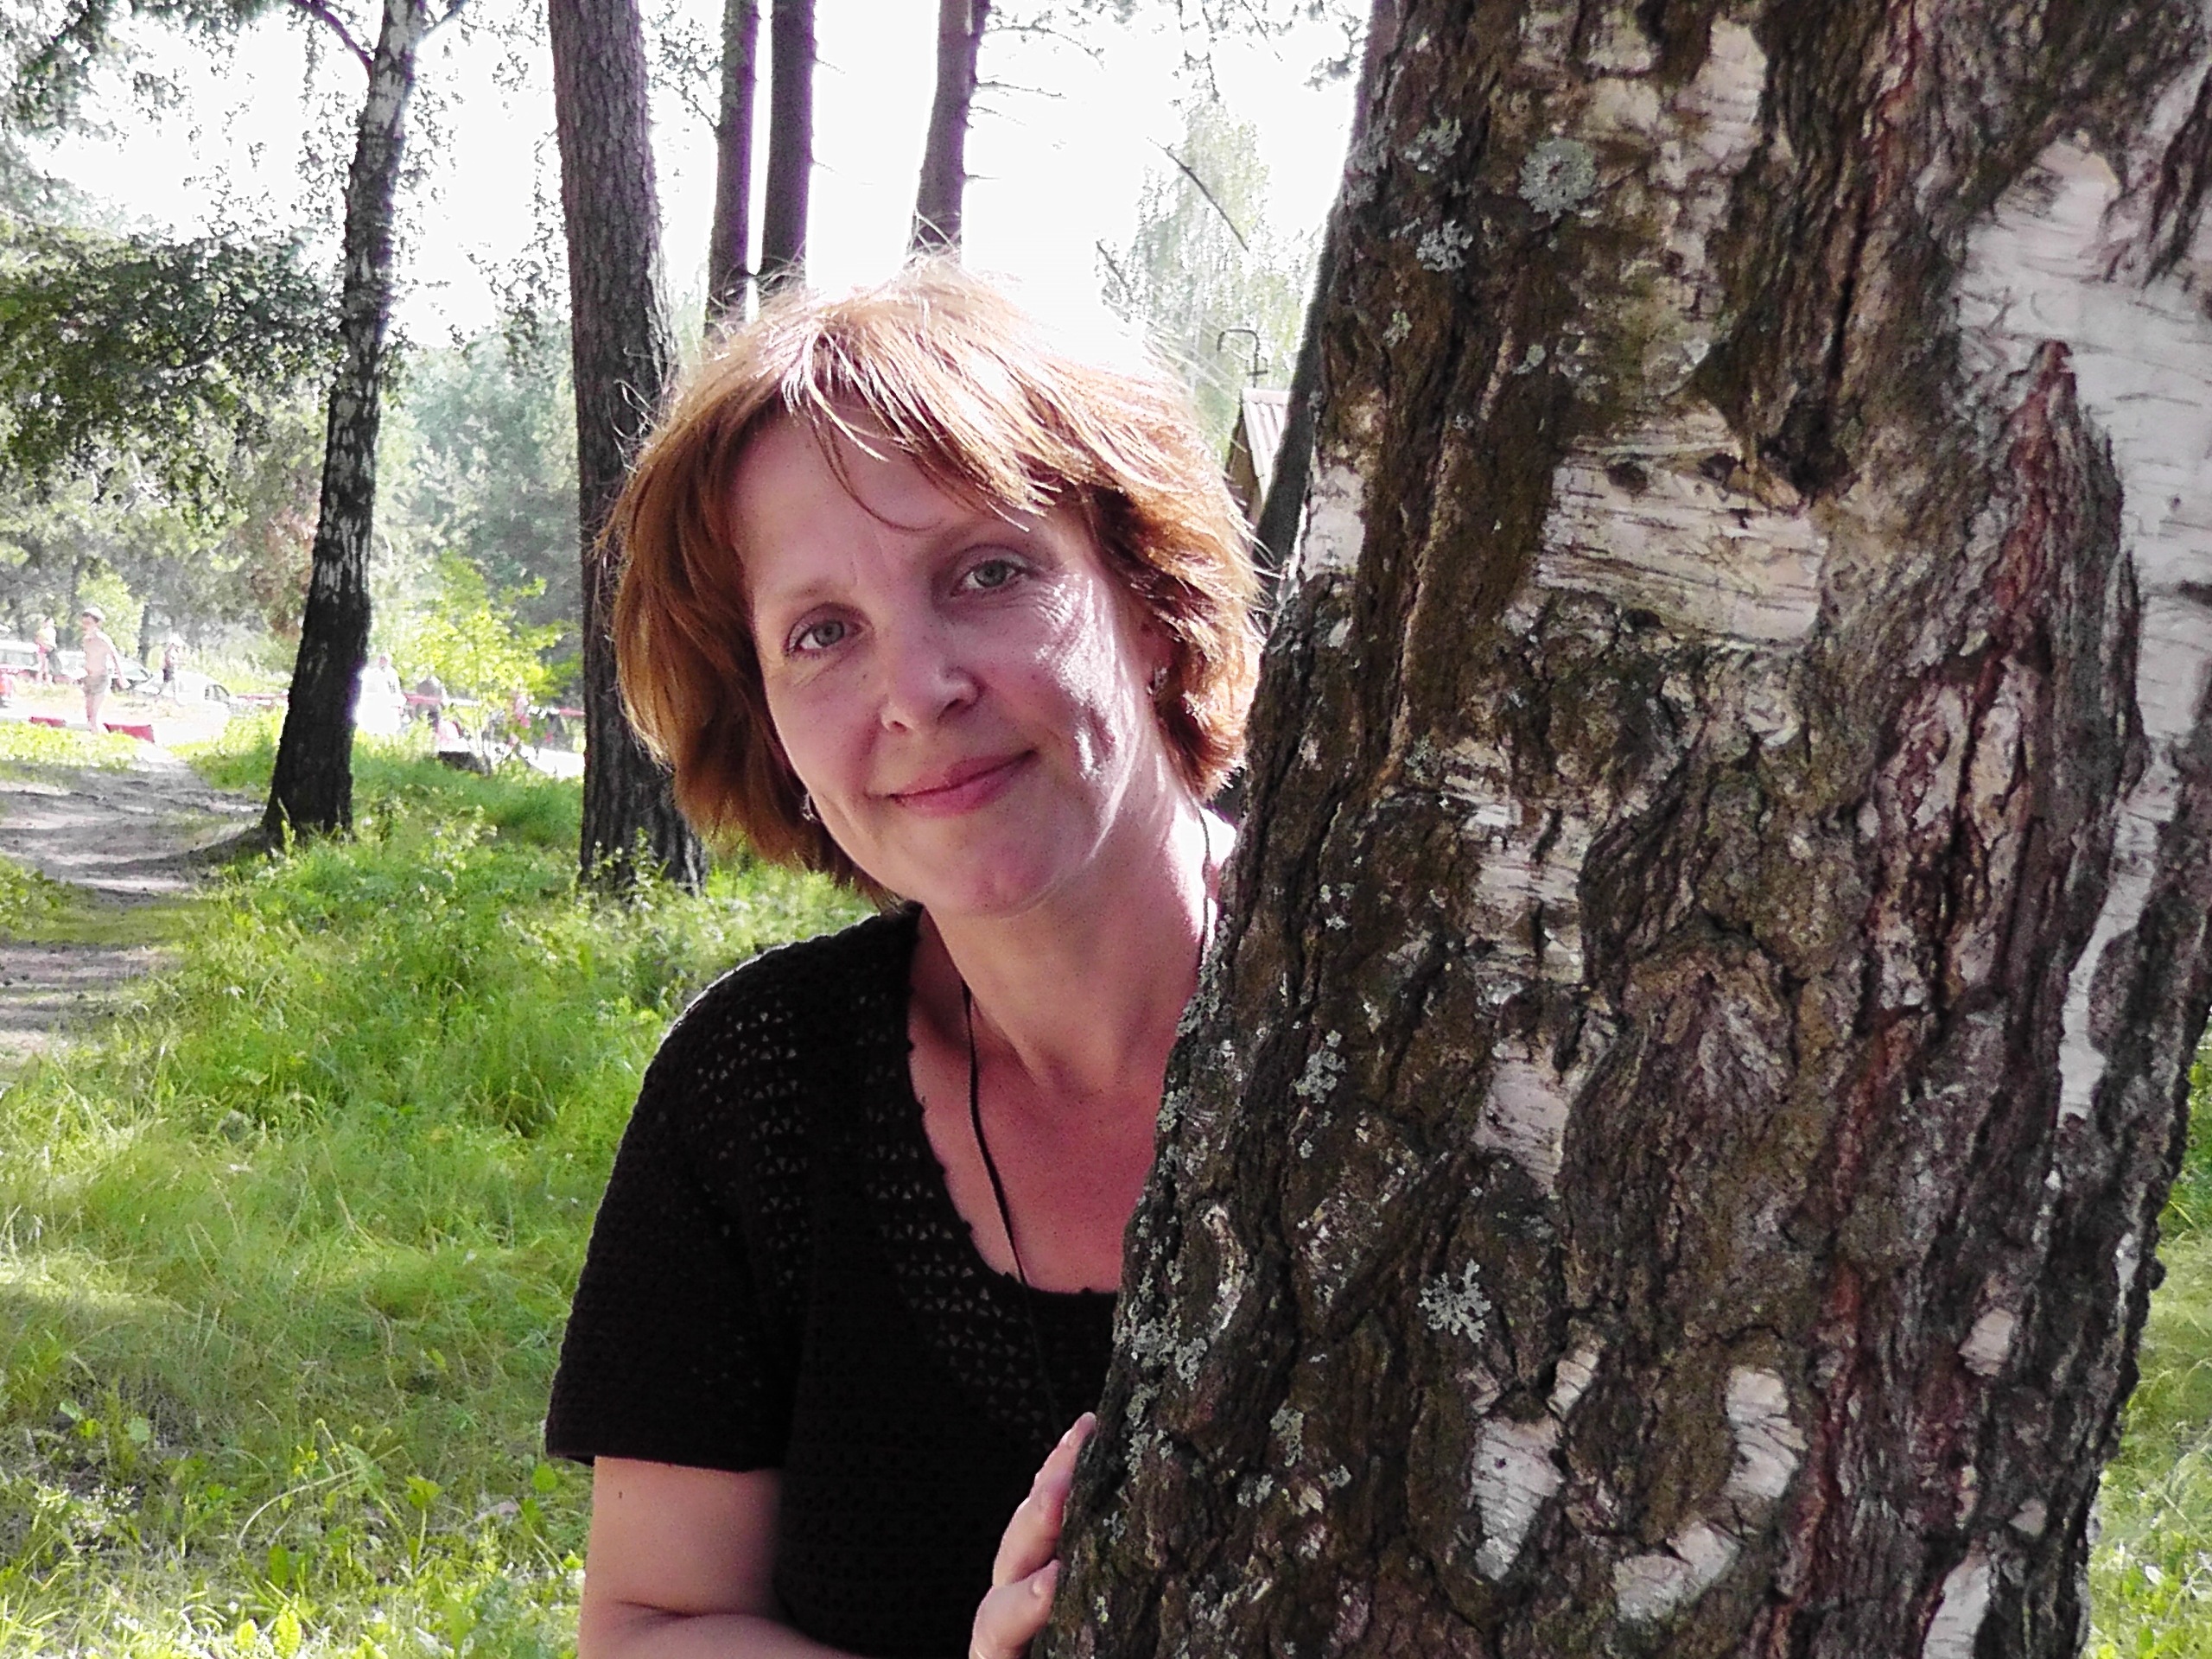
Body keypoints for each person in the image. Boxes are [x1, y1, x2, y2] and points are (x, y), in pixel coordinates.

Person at [543, 261, 1260, 1659]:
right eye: (822, 633)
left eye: (988, 573)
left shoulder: (1432, 1009)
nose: (917, 692)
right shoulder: (758, 1091)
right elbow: (652, 1626)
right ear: (771, 728)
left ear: (1151, 597)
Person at [78, 607, 119, 734]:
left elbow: (114, 656)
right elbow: (87, 658)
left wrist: (121, 676)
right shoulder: (86, 640)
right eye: (84, 623)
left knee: (95, 716)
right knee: (89, 715)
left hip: (101, 679)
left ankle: (101, 738)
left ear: (97, 624)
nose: (85, 626)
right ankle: (94, 737)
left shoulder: (103, 639)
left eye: (88, 623)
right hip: (89, 679)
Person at [355, 652, 405, 737]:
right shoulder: (372, 672)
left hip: (388, 701)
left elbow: (395, 688)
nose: (382, 662)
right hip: (375, 701)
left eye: (384, 660)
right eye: (381, 660)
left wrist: (399, 704)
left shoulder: (392, 673)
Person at [34, 616, 55, 683]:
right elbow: (38, 640)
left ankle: (45, 681)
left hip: (49, 650)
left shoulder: (52, 631)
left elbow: (52, 641)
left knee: (46, 667)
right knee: (43, 667)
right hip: (43, 650)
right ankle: (40, 681)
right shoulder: (42, 631)